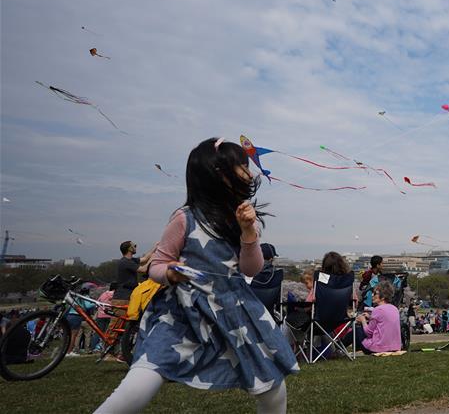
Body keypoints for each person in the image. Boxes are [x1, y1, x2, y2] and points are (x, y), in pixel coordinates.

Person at [94, 138, 297, 414]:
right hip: (182, 312)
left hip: (234, 310)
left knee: (273, 388)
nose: (247, 173)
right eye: (239, 165)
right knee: (141, 380)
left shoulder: (239, 218)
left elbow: (251, 269)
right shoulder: (184, 218)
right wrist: (169, 272)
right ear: (214, 172)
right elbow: (156, 265)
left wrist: (249, 233)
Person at [353, 280, 402, 354]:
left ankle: (337, 347)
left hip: (378, 348)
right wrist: (370, 317)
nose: (372, 295)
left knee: (357, 329)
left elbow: (368, 333)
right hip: (395, 347)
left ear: (383, 297)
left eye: (375, 293)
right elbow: (384, 321)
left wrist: (363, 320)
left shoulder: (378, 309)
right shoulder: (395, 309)